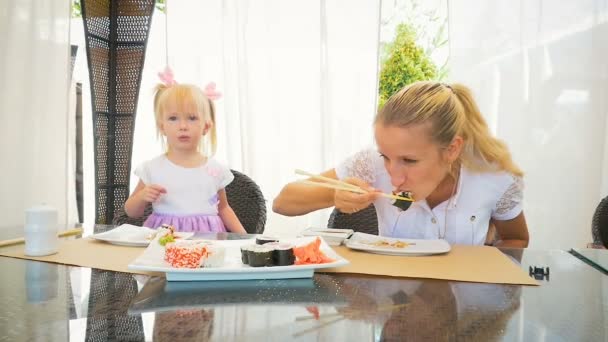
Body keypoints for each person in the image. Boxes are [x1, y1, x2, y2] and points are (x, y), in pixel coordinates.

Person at [273, 81, 529, 247]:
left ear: (452, 149)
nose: (394, 178)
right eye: (386, 156)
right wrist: (334, 194)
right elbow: (283, 202)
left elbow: (516, 238)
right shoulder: (369, 164)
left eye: (409, 160)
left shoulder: (497, 178)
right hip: (395, 304)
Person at [124, 68, 246, 234]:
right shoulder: (152, 168)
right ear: (162, 127)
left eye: (192, 118)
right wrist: (142, 196)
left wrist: (247, 239)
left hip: (207, 241)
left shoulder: (216, 170)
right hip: (163, 241)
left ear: (206, 126)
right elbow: (132, 212)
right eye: (173, 118)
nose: (183, 126)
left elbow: (224, 209)